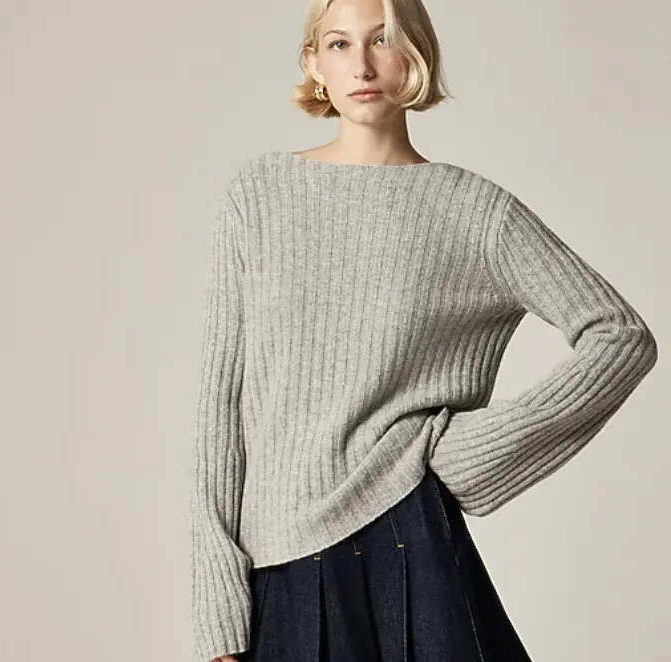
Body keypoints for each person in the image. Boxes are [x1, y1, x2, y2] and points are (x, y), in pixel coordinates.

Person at [189, 0, 658, 660]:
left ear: (416, 53)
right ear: (313, 63)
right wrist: (218, 606)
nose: (362, 64)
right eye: (339, 44)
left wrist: (471, 454)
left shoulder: (473, 210)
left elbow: (619, 335)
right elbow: (221, 404)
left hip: (410, 538)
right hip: (281, 562)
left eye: (382, 39)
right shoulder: (259, 194)